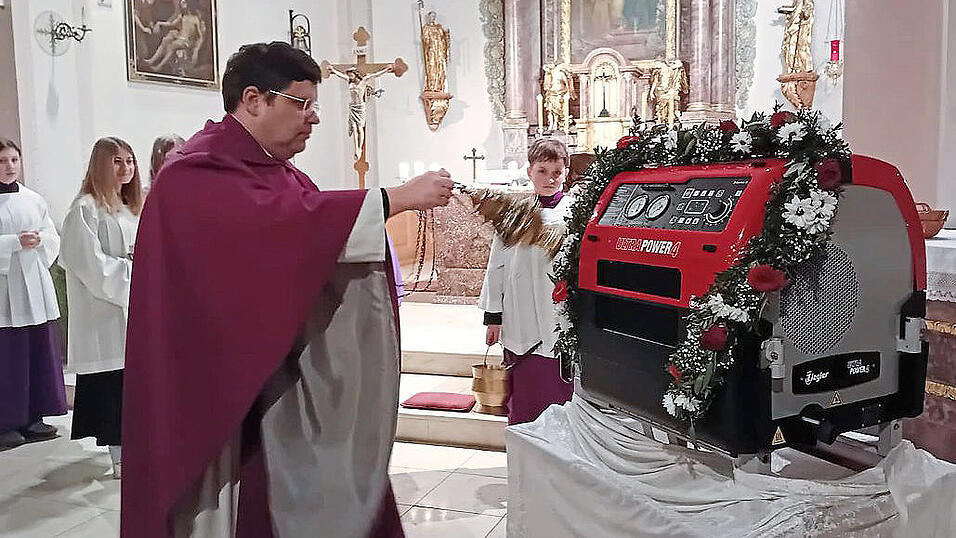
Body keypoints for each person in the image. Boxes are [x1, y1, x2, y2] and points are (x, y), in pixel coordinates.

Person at [121, 42, 453, 538]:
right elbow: (277, 230)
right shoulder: (193, 174)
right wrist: (394, 199)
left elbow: (298, 236)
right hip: (217, 396)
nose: (313, 118)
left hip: (275, 383)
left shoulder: (278, 172)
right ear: (254, 100)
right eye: (302, 104)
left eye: (314, 105)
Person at [59, 137, 143, 479]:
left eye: (129, 161)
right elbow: (87, 264)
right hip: (104, 315)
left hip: (131, 308)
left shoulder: (129, 207)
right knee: (113, 391)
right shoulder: (85, 208)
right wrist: (132, 272)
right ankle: (119, 457)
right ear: (100, 164)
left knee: (134, 386)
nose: (125, 168)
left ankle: (138, 448)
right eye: (117, 162)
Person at [480, 138, 575, 425]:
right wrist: (492, 317)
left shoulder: (574, 212)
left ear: (566, 172)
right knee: (526, 395)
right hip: (520, 319)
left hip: (556, 314)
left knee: (557, 396)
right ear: (530, 171)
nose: (550, 179)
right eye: (543, 171)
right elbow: (496, 266)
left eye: (556, 172)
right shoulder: (512, 215)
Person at [0, 137, 68, 449]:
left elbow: (51, 235)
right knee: (9, 356)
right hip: (5, 289)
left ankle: (34, 416)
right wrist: (14, 242)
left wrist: (40, 240)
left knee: (36, 350)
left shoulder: (32, 199)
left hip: (34, 285)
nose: (9, 167)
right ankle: (6, 421)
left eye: (14, 160)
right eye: (2, 161)